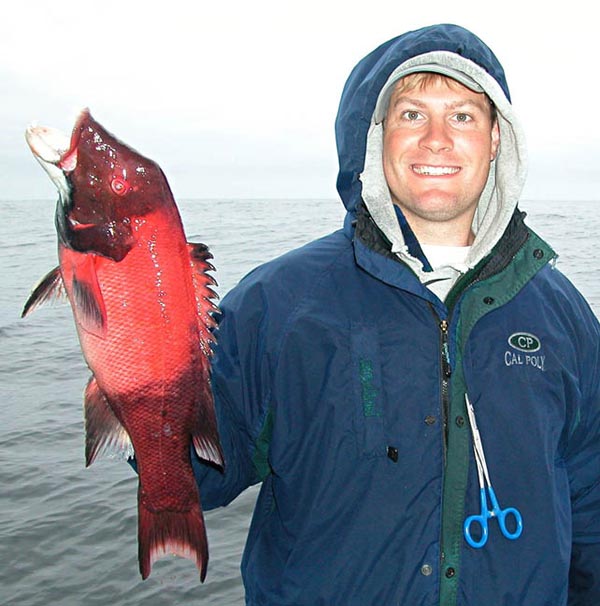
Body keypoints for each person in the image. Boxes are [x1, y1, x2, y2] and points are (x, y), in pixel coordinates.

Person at [192, 23, 600, 605]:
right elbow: (197, 477)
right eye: (411, 114)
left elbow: (592, 498)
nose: (437, 138)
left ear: (495, 141)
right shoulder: (277, 303)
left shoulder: (563, 314)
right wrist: (137, 380)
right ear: (373, 137)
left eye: (462, 116)